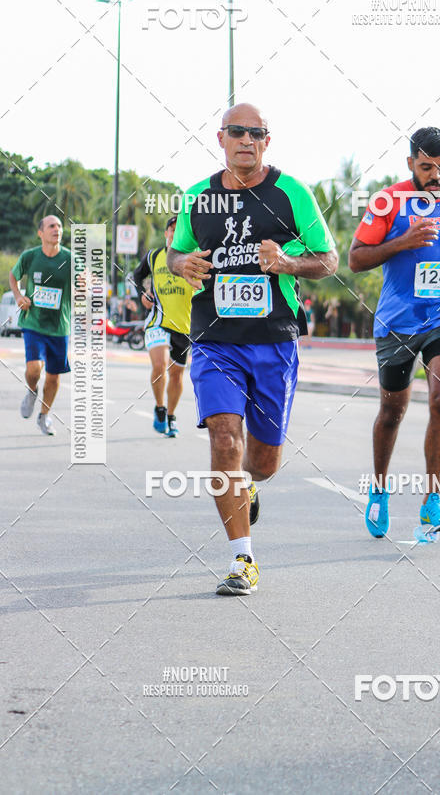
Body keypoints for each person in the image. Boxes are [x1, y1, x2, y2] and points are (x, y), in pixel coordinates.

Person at [167, 103, 338, 596]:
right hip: (215, 341)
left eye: (256, 133)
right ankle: (243, 558)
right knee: (224, 439)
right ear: (220, 138)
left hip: (272, 342)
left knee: (262, 462)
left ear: (268, 140)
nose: (247, 139)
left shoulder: (292, 195)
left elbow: (327, 260)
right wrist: (182, 265)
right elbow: (177, 250)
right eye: (237, 132)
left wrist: (285, 263)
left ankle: (250, 486)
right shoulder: (197, 198)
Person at [348, 127, 440, 538]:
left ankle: (433, 501)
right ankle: (380, 489)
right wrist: (402, 242)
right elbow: (355, 259)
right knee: (392, 412)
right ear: (410, 163)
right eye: (427, 167)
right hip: (397, 321)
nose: (436, 175)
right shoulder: (389, 201)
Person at [131, 216, 196, 438]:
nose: (175, 234)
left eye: (180, 231)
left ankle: (171, 415)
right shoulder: (154, 256)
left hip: (185, 327)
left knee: (177, 375)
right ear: (166, 233)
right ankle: (160, 407)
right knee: (160, 365)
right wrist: (142, 294)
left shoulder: (194, 257)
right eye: (172, 230)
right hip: (158, 321)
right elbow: (136, 276)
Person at [9, 215, 72, 436]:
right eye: (52, 226)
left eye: (60, 226)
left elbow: (85, 277)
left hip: (59, 327)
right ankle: (32, 390)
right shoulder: (30, 257)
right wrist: (18, 296)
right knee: (34, 368)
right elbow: (13, 275)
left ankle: (44, 416)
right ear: (41, 233)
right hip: (33, 322)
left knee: (54, 376)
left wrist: (86, 281)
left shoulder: (70, 258)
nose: (57, 229)